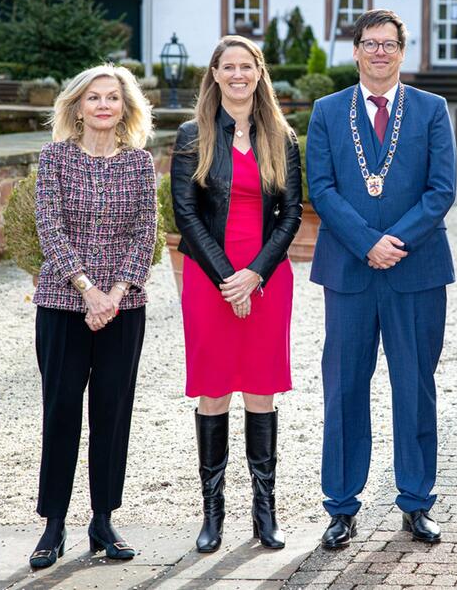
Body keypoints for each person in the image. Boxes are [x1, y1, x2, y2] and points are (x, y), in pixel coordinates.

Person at [306, 9, 456, 549]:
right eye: (369, 44)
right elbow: (320, 188)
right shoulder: (326, 112)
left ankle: (417, 502)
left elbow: (442, 190)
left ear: (402, 51)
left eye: (389, 44)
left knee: (414, 386)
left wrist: (396, 241)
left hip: (416, 271)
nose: (379, 53)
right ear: (355, 51)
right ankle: (341, 506)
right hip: (349, 271)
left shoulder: (432, 110)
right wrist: (366, 242)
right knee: (345, 388)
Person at [170, 35, 302, 554]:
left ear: (259, 73)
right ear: (216, 74)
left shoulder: (281, 137)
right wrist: (229, 278)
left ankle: (263, 512)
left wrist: (255, 276)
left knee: (261, 389)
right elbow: (186, 215)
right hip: (209, 279)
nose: (238, 74)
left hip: (266, 278)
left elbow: (292, 214)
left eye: (246, 66)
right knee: (214, 389)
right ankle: (212, 514)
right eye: (229, 67)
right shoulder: (192, 135)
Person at [31, 64, 157, 569]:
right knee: (61, 409)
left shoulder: (141, 164)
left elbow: (145, 231)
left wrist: (116, 293)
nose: (103, 105)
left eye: (112, 98)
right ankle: (53, 524)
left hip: (124, 309)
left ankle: (103, 520)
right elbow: (50, 227)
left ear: (126, 107)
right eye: (93, 98)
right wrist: (87, 291)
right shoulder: (55, 158)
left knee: (112, 412)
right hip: (63, 306)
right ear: (77, 106)